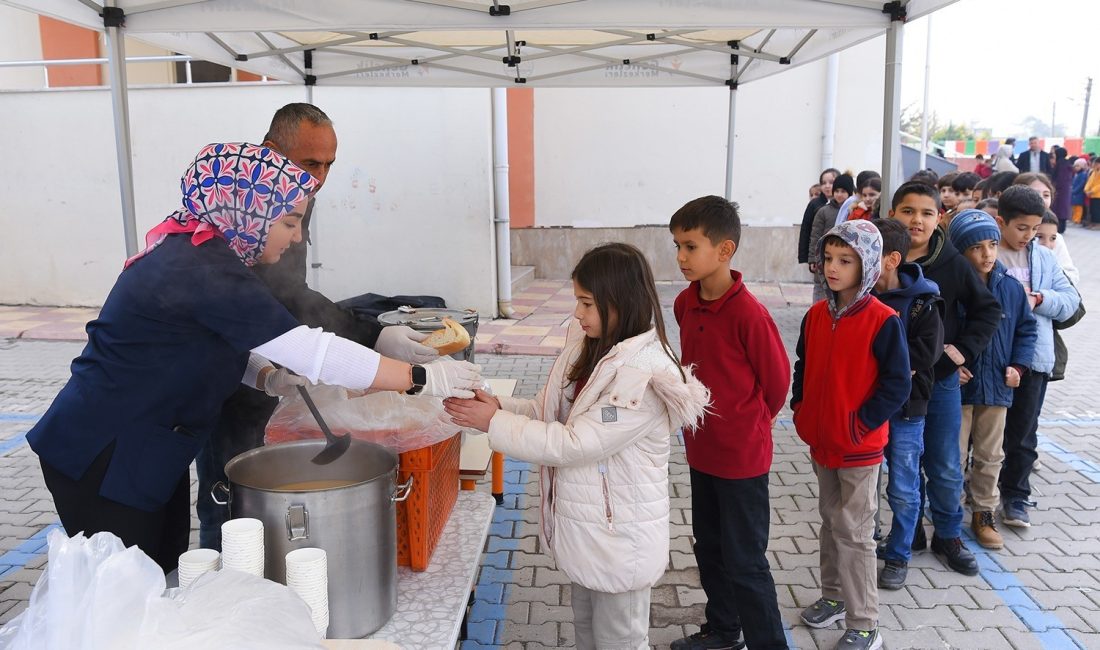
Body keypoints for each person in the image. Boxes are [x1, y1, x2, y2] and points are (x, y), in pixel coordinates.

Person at [28, 143, 482, 573]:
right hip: (102, 453)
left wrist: (266, 379)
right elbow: (308, 348)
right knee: (124, 590)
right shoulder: (199, 265)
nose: (297, 235)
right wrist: (420, 377)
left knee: (162, 570)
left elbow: (207, 340)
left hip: (147, 448)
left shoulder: (207, 253)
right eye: (289, 221)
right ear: (248, 209)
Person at [195, 104, 440, 550]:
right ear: (271, 152)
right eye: (310, 163)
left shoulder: (296, 197)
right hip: (215, 394)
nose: (321, 177)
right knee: (226, 499)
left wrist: (269, 376)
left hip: (258, 371)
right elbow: (273, 311)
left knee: (267, 499)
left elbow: (293, 293)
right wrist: (408, 370)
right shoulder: (235, 216)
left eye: (329, 164)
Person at [444, 243, 709, 650]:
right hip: (590, 534)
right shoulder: (591, 346)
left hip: (620, 543)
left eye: (587, 303)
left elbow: (574, 442)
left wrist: (493, 422)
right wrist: (500, 406)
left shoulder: (644, 376)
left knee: (620, 642)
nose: (577, 313)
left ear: (619, 303)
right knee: (588, 636)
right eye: (577, 301)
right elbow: (548, 410)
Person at [667, 197, 790, 650]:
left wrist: (748, 425)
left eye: (690, 246)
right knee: (710, 548)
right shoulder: (685, 303)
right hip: (702, 452)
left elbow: (777, 385)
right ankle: (723, 630)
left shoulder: (749, 313)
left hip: (742, 460)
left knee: (745, 560)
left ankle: (768, 643)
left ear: (724, 250)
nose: (680, 257)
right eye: (677, 245)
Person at [792, 220, 910, 650]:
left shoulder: (883, 320)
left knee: (856, 533)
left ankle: (865, 623)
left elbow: (898, 384)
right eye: (828, 259)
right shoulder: (815, 315)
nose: (833, 268)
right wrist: (800, 409)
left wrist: (860, 424)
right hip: (821, 443)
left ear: (870, 265)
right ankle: (834, 597)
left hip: (860, 449)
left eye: (846, 260)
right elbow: (802, 367)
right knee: (829, 522)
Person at [888, 181, 1001, 576]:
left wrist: (960, 352)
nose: (916, 220)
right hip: (892, 384)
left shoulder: (952, 263)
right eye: (907, 211)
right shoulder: (882, 260)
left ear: (940, 218)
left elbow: (988, 311)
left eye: (926, 213)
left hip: (941, 384)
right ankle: (911, 532)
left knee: (945, 462)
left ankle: (949, 536)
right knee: (903, 464)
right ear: (892, 214)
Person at [947, 210, 1037, 550]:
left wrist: (1019, 365)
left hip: (997, 388)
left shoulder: (1011, 288)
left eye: (992, 245)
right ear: (960, 250)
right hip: (956, 390)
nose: (987, 254)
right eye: (976, 247)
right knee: (951, 455)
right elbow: (937, 333)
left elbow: (1026, 330)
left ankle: (983, 512)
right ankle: (950, 513)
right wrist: (949, 365)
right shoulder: (950, 287)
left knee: (989, 455)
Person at [994, 186, 1079, 528]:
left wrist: (1040, 298)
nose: (1029, 237)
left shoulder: (1043, 257)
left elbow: (1070, 300)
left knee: (1023, 433)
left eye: (1035, 229)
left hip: (1034, 360)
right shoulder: (987, 252)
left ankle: (1015, 496)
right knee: (982, 433)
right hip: (992, 359)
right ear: (1002, 222)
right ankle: (979, 490)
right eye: (1022, 228)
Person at [869, 218, 943, 590]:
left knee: (902, 486)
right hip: (868, 408)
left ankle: (898, 554)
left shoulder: (922, 302)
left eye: (868, 254)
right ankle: (868, 545)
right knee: (865, 483)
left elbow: (924, 355)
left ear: (891, 259)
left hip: (908, 411)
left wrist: (884, 365)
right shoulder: (858, 296)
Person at [809, 173, 855, 302]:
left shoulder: (852, 211)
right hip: (823, 255)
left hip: (842, 257)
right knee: (820, 286)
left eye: (843, 191)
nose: (839, 194)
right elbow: (815, 236)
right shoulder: (823, 211)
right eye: (837, 191)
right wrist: (813, 258)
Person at [799, 168, 840, 266]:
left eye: (831, 182)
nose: (827, 186)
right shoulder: (815, 203)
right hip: (819, 250)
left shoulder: (844, 203)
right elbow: (806, 229)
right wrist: (808, 258)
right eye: (823, 183)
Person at [1050, 147, 1073, 232]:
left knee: (1059, 209)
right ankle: (1062, 227)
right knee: (1063, 208)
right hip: (1065, 189)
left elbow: (1060, 178)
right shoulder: (1066, 163)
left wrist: (1054, 186)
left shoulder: (1061, 163)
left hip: (1060, 189)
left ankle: (1060, 228)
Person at [1070, 158, 1090, 225]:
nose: (1076, 167)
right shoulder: (1077, 174)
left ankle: (1077, 220)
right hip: (1074, 193)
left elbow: (1081, 184)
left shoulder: (1083, 174)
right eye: (1075, 166)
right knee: (1074, 207)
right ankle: (1074, 219)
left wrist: (1074, 190)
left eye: (1077, 166)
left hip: (1079, 193)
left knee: (1078, 208)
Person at [1086, 157, 1100, 229]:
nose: (1094, 165)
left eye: (1096, 164)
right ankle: (1093, 223)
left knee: (1097, 210)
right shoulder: (1094, 172)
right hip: (1092, 195)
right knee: (1093, 210)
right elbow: (1089, 182)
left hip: (1098, 195)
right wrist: (1086, 190)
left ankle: (1098, 224)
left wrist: (1092, 191)